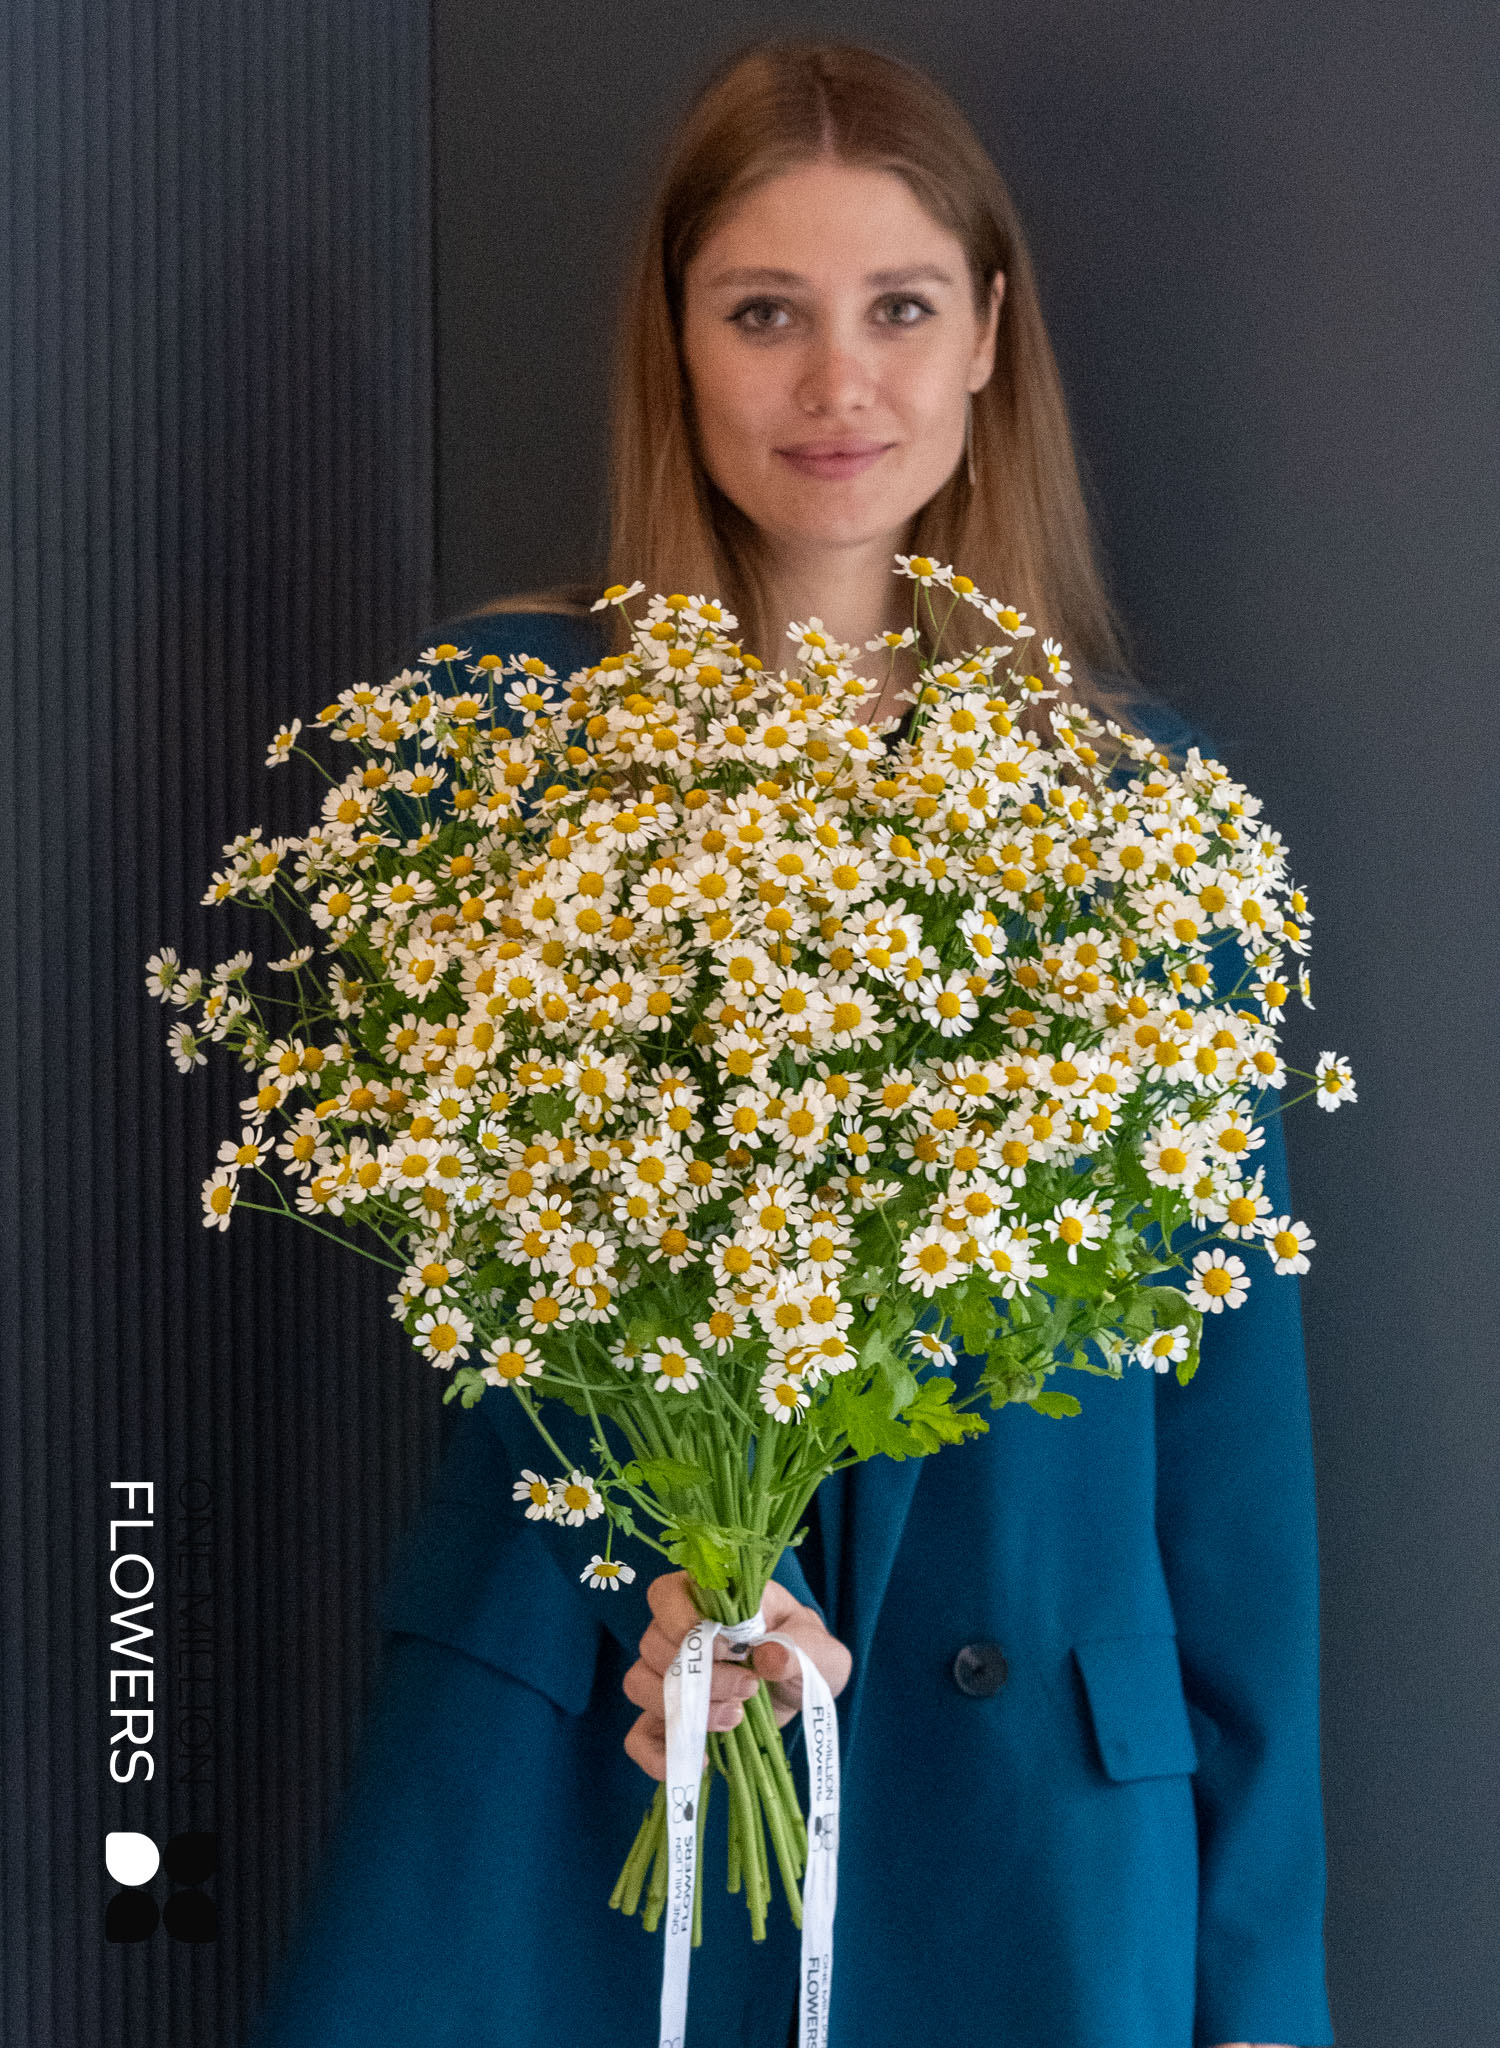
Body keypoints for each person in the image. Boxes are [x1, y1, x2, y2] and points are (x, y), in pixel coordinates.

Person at [246, 36, 1332, 2048]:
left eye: (898, 309)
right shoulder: (499, 737)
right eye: (766, 314)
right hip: (584, 1759)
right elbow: (482, 1273)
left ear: (988, 334)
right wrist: (668, 1570)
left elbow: (1227, 1443)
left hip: (1026, 1830)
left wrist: (1263, 1987)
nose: (840, 385)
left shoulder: (1142, 815)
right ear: (676, 340)